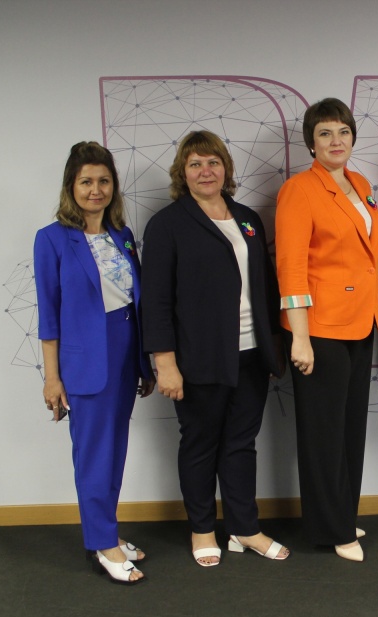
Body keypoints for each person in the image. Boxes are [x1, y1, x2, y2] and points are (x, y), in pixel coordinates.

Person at [143, 130, 288, 567]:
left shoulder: (247, 218)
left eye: (213, 162)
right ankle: (203, 529)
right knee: (201, 444)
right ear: (182, 173)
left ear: (225, 168)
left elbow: (264, 286)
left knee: (241, 443)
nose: (205, 171)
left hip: (251, 354)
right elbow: (156, 301)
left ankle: (245, 528)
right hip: (197, 359)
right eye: (195, 164)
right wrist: (165, 363)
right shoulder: (167, 224)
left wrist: (273, 346)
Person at [34, 142, 154, 585]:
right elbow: (49, 315)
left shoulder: (122, 234)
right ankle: (103, 544)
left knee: (114, 450)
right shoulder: (52, 239)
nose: (95, 190)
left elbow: (135, 302)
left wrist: (144, 362)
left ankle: (108, 533)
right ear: (71, 185)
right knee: (93, 455)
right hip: (86, 361)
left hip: (125, 351)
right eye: (86, 181)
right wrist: (52, 378)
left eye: (104, 181)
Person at [275, 98, 378, 562]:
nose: (336, 141)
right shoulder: (299, 190)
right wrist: (299, 337)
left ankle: (342, 514)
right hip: (319, 328)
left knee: (350, 429)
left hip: (361, 321)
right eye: (325, 133)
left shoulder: (360, 184)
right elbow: (291, 268)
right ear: (311, 142)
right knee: (323, 433)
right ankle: (331, 528)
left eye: (343, 131)